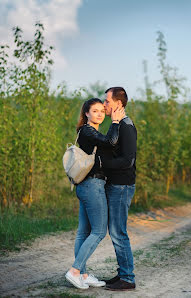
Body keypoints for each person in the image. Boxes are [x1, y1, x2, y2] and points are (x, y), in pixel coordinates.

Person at [65, 98, 125, 289]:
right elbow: (111, 141)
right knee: (99, 231)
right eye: (95, 111)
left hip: (86, 185)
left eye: (101, 111)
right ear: (86, 114)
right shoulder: (87, 131)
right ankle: (74, 271)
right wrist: (115, 122)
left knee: (84, 232)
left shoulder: (91, 132)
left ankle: (81, 274)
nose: (100, 114)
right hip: (92, 186)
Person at [101, 87, 138, 291]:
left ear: (118, 103)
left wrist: (102, 163)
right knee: (115, 231)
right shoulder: (117, 124)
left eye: (107, 101)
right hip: (115, 184)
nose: (104, 104)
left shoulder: (126, 126)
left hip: (122, 186)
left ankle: (128, 278)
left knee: (118, 232)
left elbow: (127, 160)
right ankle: (123, 273)